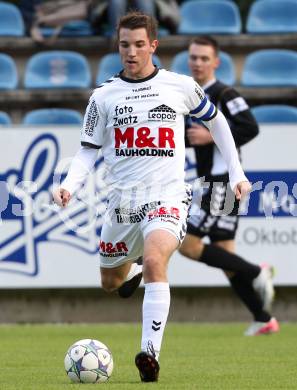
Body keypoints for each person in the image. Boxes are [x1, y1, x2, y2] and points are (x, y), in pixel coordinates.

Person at [53, 13, 251, 382]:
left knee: (158, 258)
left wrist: (237, 172)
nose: (131, 52)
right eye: (125, 44)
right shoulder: (104, 96)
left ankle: (149, 355)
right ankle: (136, 267)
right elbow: (86, 151)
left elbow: (218, 122)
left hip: (168, 196)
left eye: (139, 44)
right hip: (122, 204)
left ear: (153, 46)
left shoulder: (180, 86)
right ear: (118, 45)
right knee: (111, 283)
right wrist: (70, 185)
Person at [178, 36, 279, 336]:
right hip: (212, 182)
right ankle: (263, 319)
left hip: (222, 183)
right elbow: (191, 137)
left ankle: (257, 271)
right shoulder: (190, 94)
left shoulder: (224, 92)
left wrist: (212, 136)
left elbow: (250, 126)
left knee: (188, 245)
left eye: (204, 58)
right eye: (193, 58)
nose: (197, 63)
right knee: (225, 255)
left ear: (216, 62)